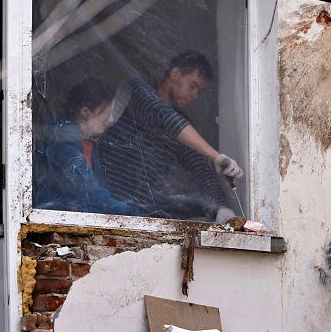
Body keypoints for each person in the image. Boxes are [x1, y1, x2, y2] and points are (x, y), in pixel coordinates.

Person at [99, 50, 243, 222]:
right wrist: (216, 156)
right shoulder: (139, 92)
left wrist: (221, 207)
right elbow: (164, 115)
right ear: (175, 74)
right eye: (192, 86)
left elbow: (201, 168)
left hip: (143, 215)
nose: (195, 96)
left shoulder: (183, 128)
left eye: (199, 91)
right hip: (106, 207)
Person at [33, 78, 146, 216]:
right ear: (85, 112)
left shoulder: (88, 143)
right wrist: (138, 217)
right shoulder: (61, 142)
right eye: (107, 113)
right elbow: (92, 194)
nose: (110, 120)